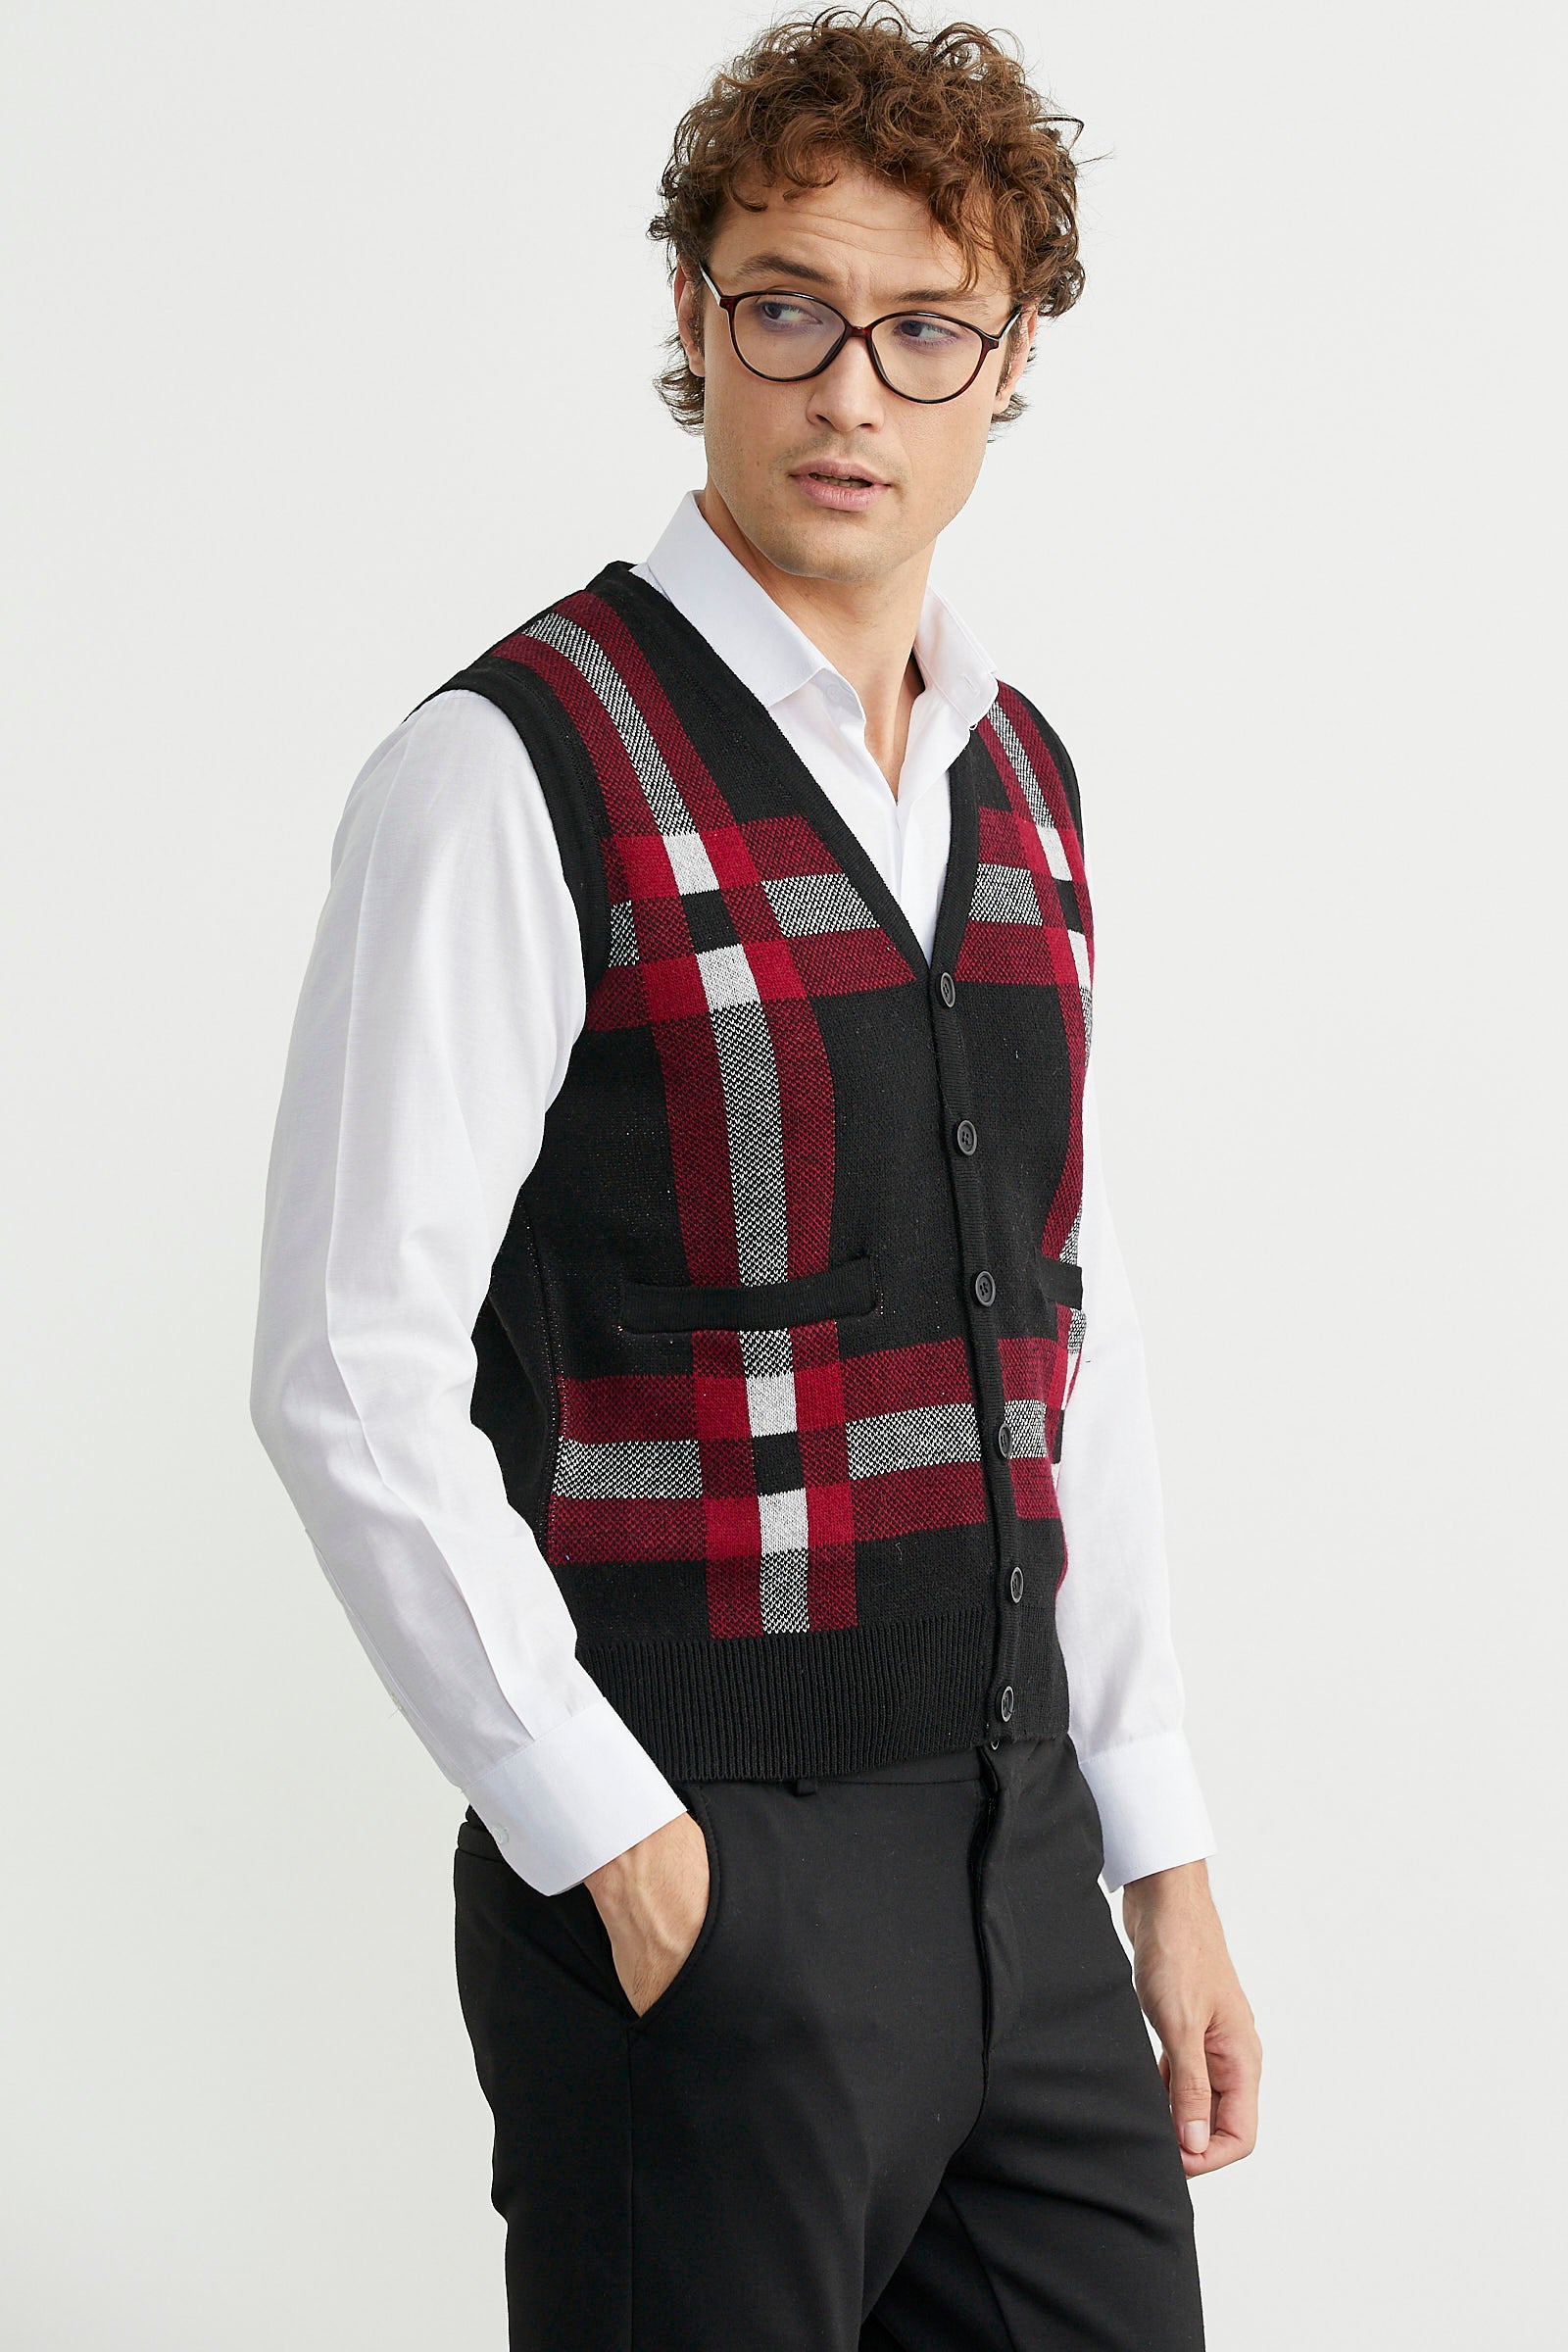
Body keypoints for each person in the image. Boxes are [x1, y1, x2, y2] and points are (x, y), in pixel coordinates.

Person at [250, 8, 1261, 2345]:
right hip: (708, 1868)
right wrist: (607, 1839)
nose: (848, 394)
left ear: (1010, 361)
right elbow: (342, 1364)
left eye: (925, 330)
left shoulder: (1020, 778)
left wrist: (1157, 1846)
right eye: (786, 309)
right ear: (693, 316)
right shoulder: (510, 771)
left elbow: (1063, 1327)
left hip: (1021, 1857)